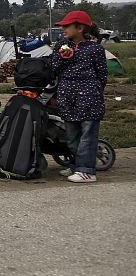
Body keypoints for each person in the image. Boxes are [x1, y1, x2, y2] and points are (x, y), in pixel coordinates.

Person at [50, 10, 107, 183]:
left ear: (80, 28)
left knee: (87, 135)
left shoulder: (95, 49)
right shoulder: (61, 46)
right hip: (67, 95)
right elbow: (54, 69)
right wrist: (64, 58)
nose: (63, 29)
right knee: (71, 135)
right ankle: (76, 165)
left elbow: (102, 74)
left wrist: (93, 89)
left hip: (89, 96)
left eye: (67, 26)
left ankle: (87, 171)